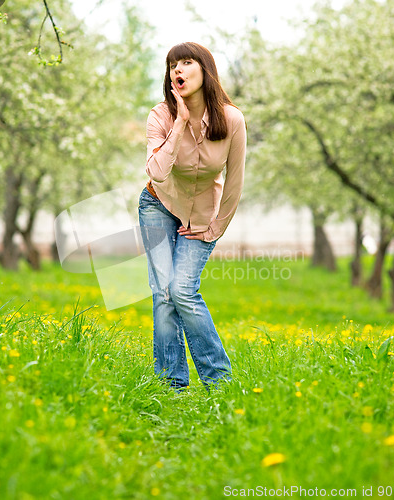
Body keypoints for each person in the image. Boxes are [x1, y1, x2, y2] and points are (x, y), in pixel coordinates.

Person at [138, 42, 247, 390]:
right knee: (164, 294)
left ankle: (219, 380)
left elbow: (235, 181)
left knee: (182, 289)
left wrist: (215, 228)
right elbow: (156, 171)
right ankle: (172, 384)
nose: (178, 70)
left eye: (186, 63)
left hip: (202, 216)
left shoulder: (231, 120)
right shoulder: (160, 115)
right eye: (172, 65)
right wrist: (181, 123)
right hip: (157, 204)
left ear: (205, 70)